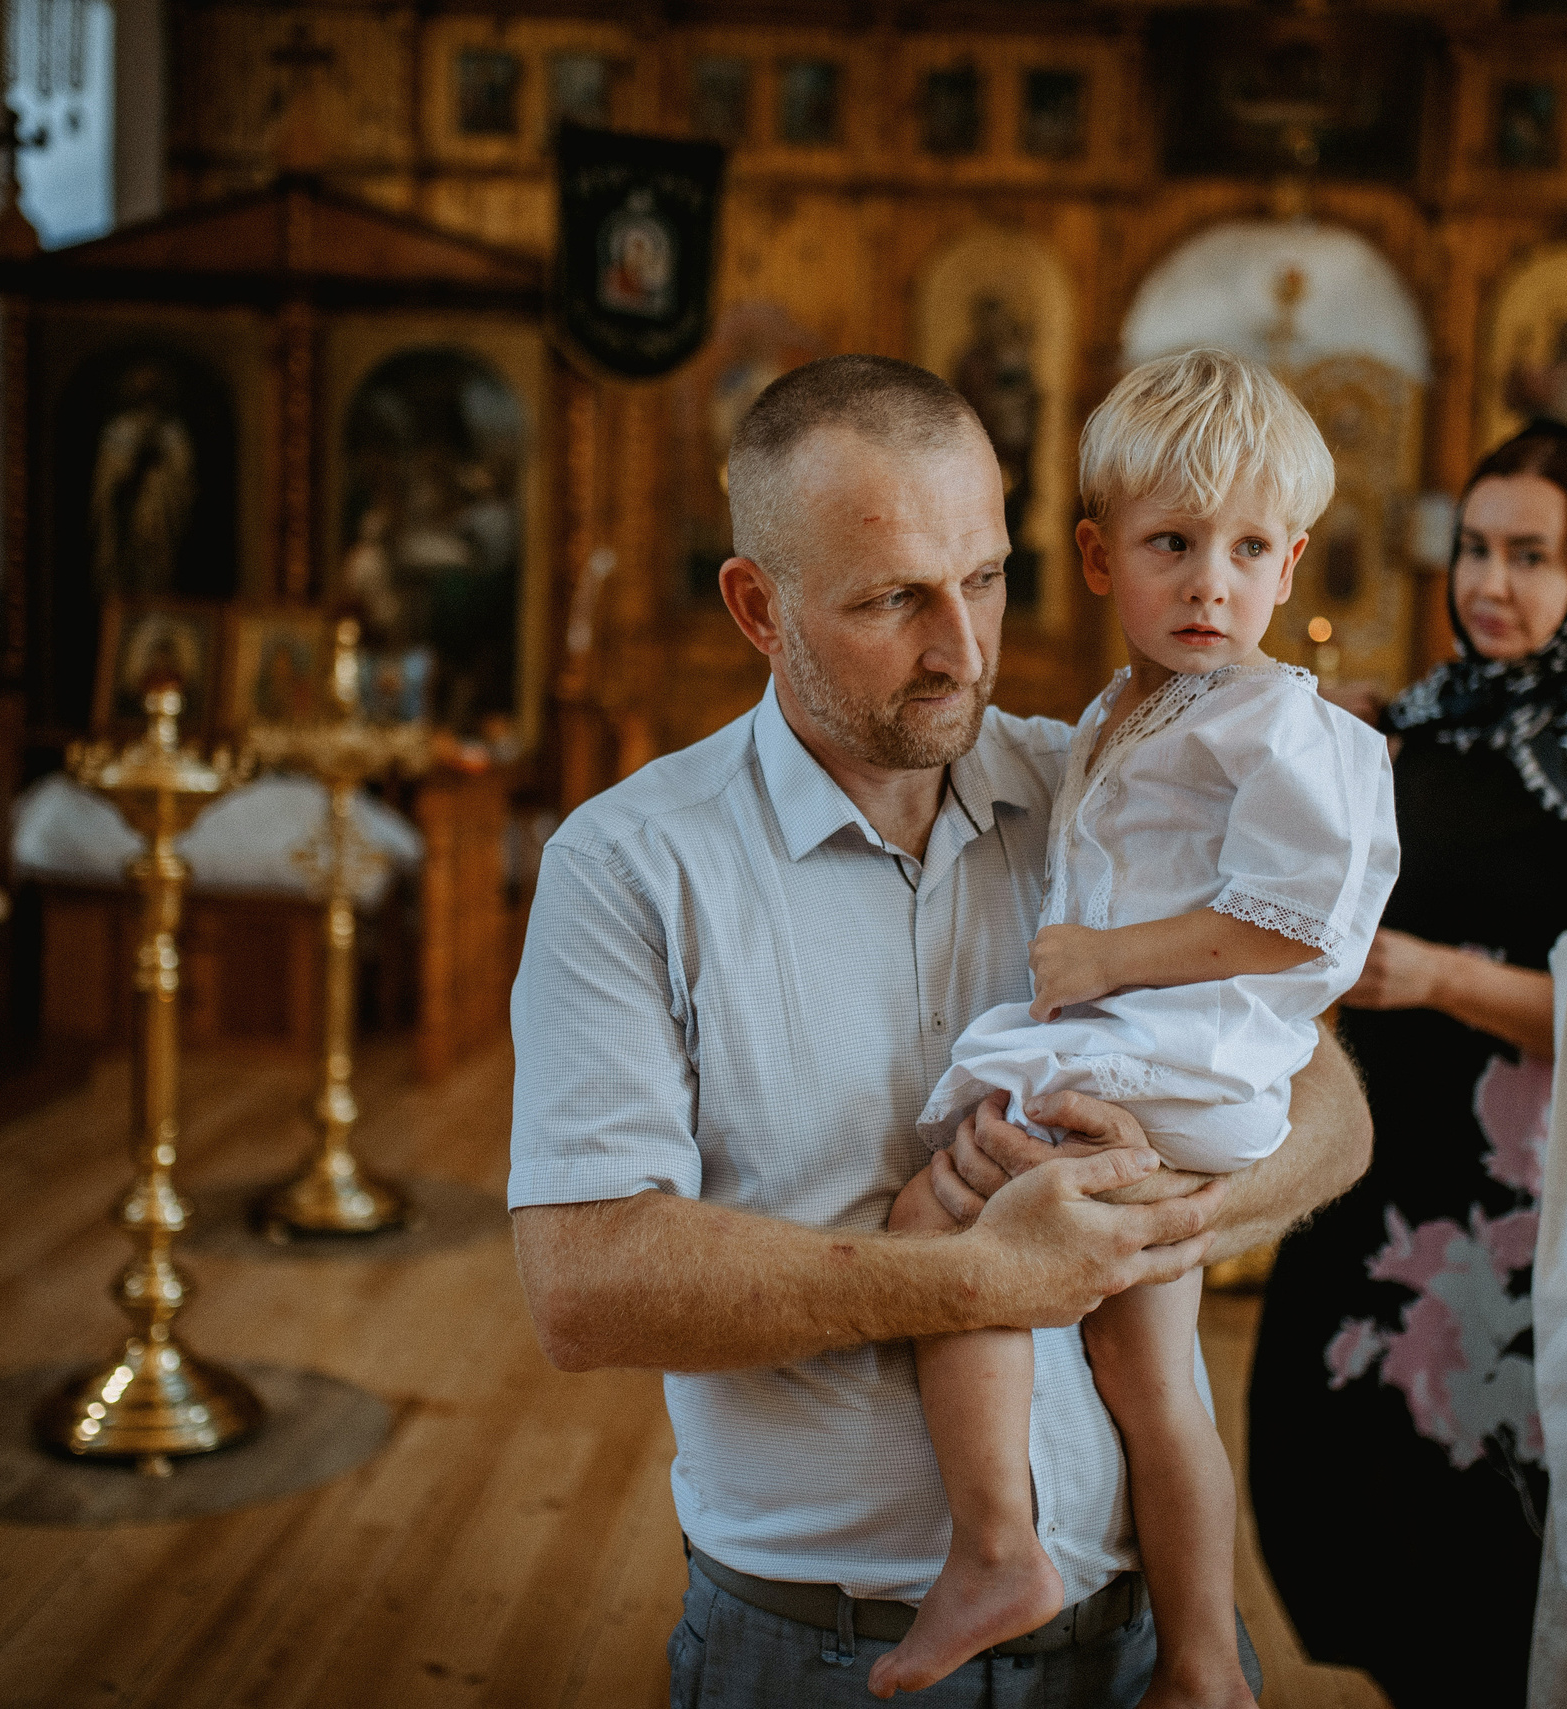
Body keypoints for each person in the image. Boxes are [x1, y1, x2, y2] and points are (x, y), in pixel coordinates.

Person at [509, 353, 1375, 1708]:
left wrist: (1149, 1209)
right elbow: (582, 1283)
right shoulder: (631, 868)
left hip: (1143, 1628)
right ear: (758, 605)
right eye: (894, 598)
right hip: (824, 1655)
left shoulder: (1094, 787)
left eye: (982, 577)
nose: (963, 649)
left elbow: (1331, 1100)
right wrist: (981, 1277)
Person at [876, 350, 1397, 1705]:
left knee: (939, 1225)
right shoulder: (1131, 709)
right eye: (1175, 544)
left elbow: (1307, 927)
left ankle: (996, 1546)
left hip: (1173, 1055)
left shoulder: (1282, 724)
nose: (1211, 581)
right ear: (1102, 559)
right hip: (1153, 1054)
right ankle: (1203, 1662)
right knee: (1149, 1364)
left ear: (1292, 562)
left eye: (1247, 548)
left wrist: (1113, 954)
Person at [1246, 419, 1567, 1708]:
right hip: (1381, 1158)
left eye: (1531, 557)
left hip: (1523, 1208)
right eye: (1473, 550)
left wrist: (1441, 978)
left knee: (1480, 1554)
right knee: (1344, 1483)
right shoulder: (1440, 712)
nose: (1490, 585)